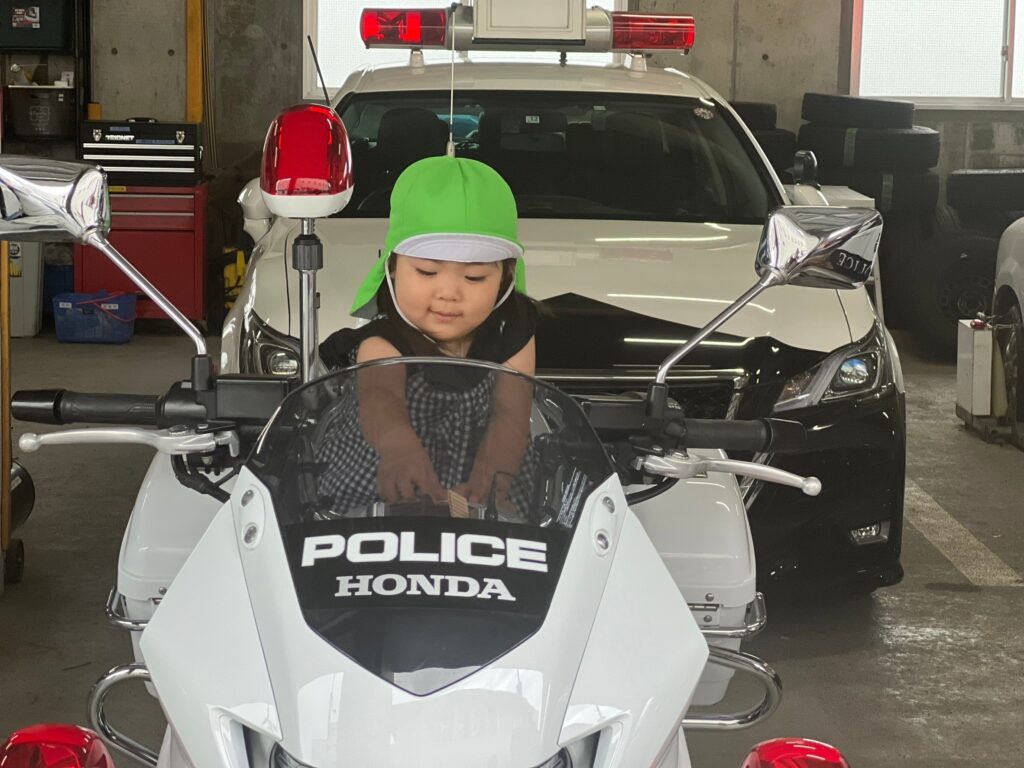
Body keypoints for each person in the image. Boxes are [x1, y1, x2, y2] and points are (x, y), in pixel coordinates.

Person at [317, 156, 538, 513]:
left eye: (475, 277)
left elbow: (511, 413)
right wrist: (400, 449)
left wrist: (493, 473)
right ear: (392, 267)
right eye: (426, 272)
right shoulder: (382, 341)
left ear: (506, 277)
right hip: (386, 477)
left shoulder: (512, 329)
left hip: (485, 477)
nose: (448, 293)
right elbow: (380, 397)